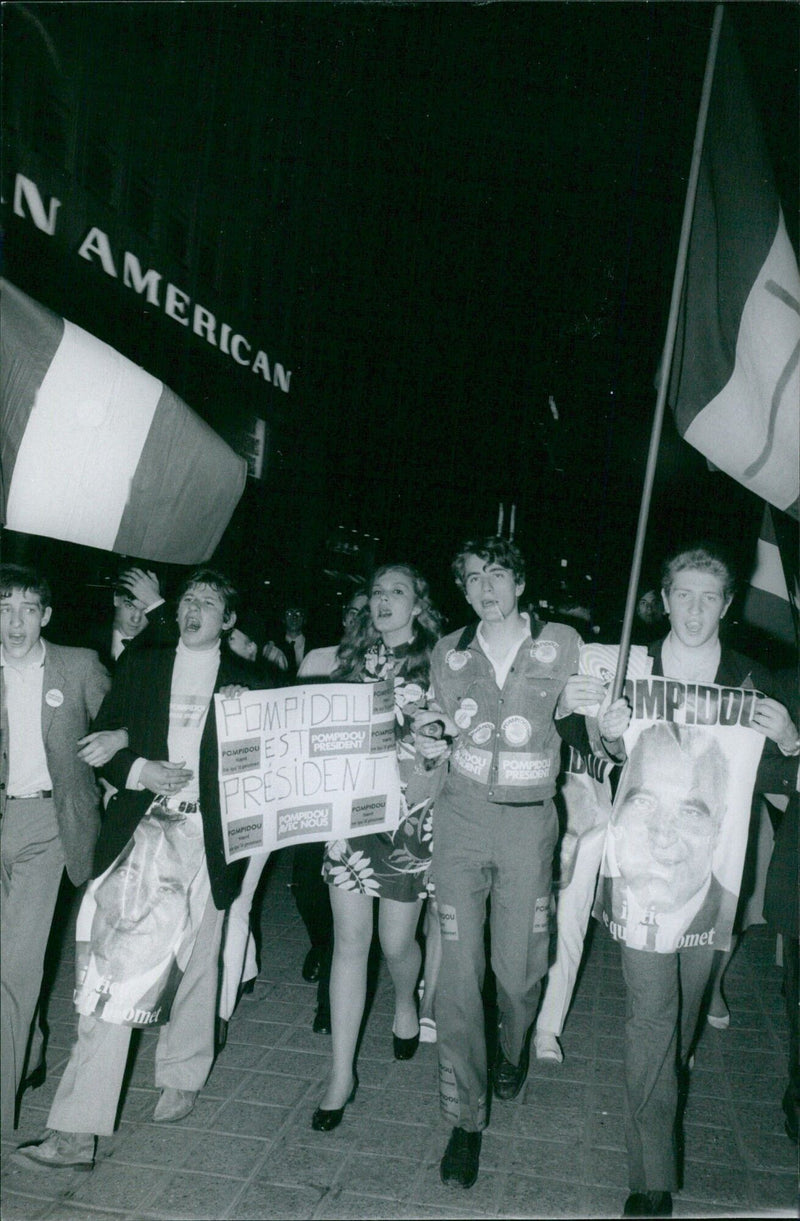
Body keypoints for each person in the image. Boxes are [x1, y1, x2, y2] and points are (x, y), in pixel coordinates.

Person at [558, 545, 800, 1219]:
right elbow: (596, 751)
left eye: (708, 597)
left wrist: (791, 738)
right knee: (650, 1016)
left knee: (682, 1018)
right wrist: (603, 733)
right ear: (663, 598)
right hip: (642, 880)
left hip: (711, 880)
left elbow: (777, 778)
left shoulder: (754, 680)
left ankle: (671, 1074)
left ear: (726, 606)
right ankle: (651, 1176)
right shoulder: (633, 670)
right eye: (682, 594)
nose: (693, 609)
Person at [13, 568, 254, 1171]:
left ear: (229, 620)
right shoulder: (145, 665)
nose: (194, 609)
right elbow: (100, 741)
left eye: (209, 602)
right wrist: (139, 767)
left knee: (201, 957)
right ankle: (76, 1131)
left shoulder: (252, 681)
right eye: (189, 600)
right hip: (145, 835)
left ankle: (183, 1071)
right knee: (114, 975)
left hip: (217, 839)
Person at [415, 536, 584, 1189]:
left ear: (519, 581)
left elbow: (586, 718)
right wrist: (425, 733)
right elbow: (433, 724)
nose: (485, 587)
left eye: (497, 574)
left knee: (517, 975)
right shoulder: (448, 652)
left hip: (527, 826)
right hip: (460, 820)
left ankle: (513, 1046)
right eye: (473, 578)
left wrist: (605, 716)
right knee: (458, 979)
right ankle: (465, 1120)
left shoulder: (561, 643)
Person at [311, 563, 442, 1132]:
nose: (384, 599)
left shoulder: (442, 661)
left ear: (418, 603)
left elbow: (451, 739)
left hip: (409, 819)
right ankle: (342, 1075)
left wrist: (438, 739)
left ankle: (406, 999)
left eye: (398, 591)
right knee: (349, 941)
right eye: (377, 590)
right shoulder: (343, 662)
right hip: (350, 816)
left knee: (395, 941)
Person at [1, 564, 114, 1132]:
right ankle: (32, 1043)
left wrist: (118, 738)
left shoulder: (76, 665)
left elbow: (124, 719)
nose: (14, 620)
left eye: (26, 608)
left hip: (49, 823)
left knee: (14, 969)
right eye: (3, 607)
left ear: (45, 615)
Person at [534, 742, 615, 1063]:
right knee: (516, 918)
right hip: (527, 802)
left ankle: (547, 1026)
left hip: (591, 807)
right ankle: (509, 1019)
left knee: (570, 921)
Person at [84, 567, 168, 670]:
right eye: (130, 606)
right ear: (116, 599)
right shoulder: (87, 640)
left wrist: (155, 601)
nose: (136, 619)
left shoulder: (160, 649)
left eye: (146, 610)